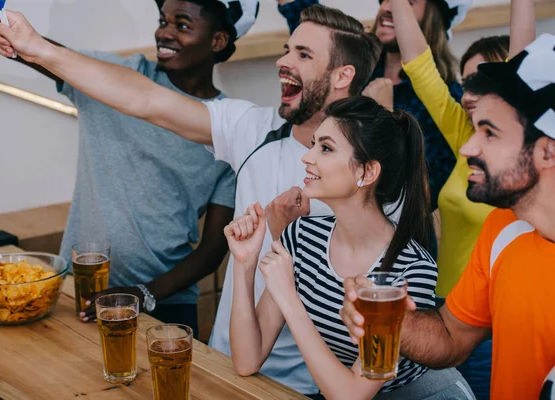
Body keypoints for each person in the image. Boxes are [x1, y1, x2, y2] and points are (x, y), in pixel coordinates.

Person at [0, 4, 386, 395]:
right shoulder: (251, 128)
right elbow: (146, 100)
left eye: (303, 53)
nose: (283, 61)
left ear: (342, 75)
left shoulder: (373, 173)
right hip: (227, 363)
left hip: (309, 385)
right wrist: (37, 47)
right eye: (286, 48)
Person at [0, 0, 263, 336]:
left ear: (217, 40)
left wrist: (144, 294)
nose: (164, 32)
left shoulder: (228, 128)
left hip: (164, 303)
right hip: (80, 291)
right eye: (163, 20)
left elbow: (212, 250)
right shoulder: (114, 77)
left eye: (183, 24)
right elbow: (31, 48)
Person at [341, 34, 555, 400]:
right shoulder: (502, 228)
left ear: (547, 151)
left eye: (489, 133)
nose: (469, 147)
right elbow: (452, 337)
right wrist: (393, 324)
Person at [225, 96, 473, 399]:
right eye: (313, 144)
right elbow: (247, 360)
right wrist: (244, 264)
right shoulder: (302, 237)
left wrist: (290, 299)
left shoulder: (410, 270)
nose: (307, 157)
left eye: (325, 148)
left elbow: (353, 395)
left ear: (367, 173)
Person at [388, 0, 535, 396]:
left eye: (484, 82)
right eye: (467, 82)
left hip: (494, 321)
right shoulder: (463, 137)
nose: (470, 94)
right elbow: (421, 70)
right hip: (446, 308)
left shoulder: (519, 150)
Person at [276, 0, 469, 212]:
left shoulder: (447, 98)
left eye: (407, 2)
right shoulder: (360, 70)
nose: (387, 8)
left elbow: (422, 195)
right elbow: (310, 29)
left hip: (395, 236)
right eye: (384, 0)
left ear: (434, 18)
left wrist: (385, 115)